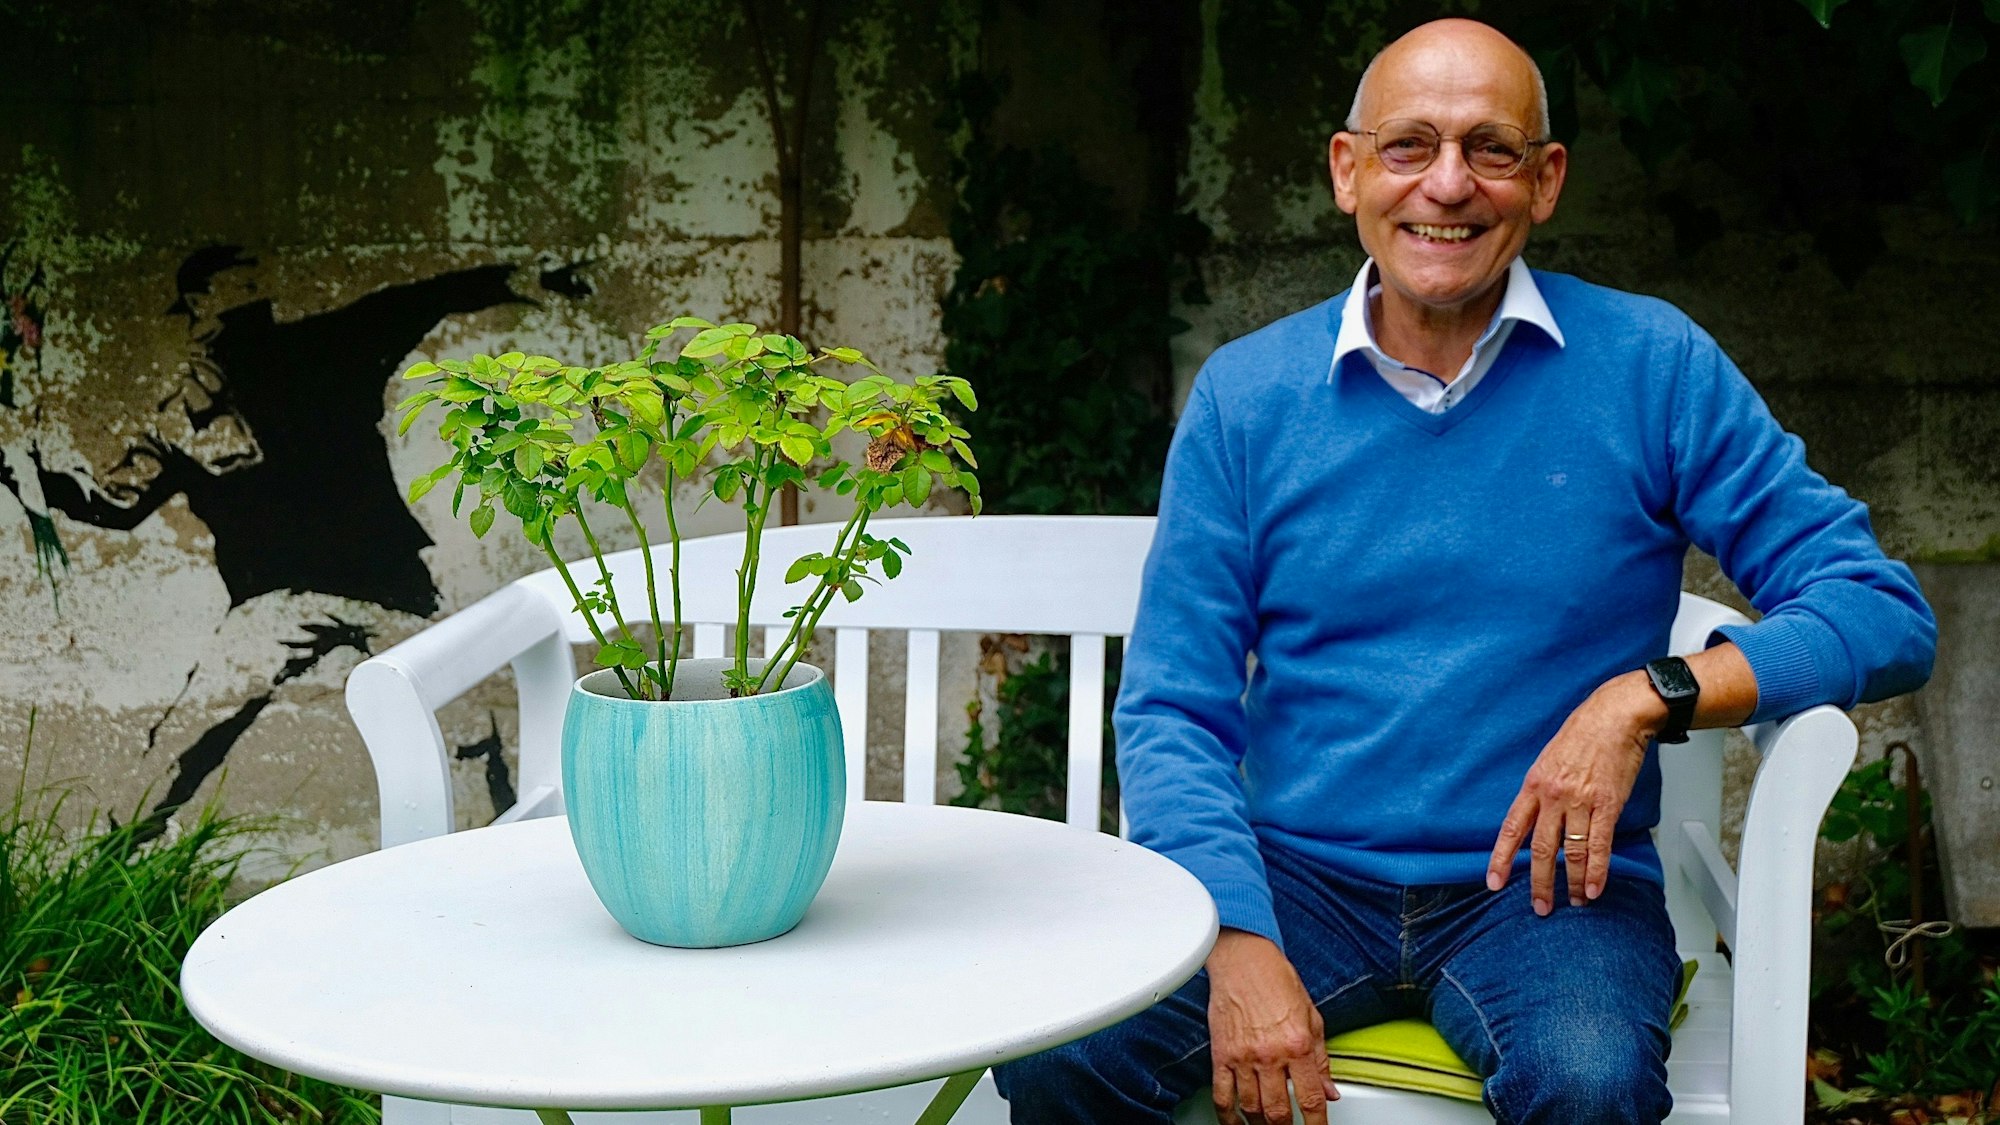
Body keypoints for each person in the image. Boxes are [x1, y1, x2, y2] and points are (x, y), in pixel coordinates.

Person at [991, 17, 1935, 1125]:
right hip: (1289, 876)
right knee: (1062, 1058)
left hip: (1547, 894)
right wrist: (1236, 941)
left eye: (1489, 149)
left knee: (1587, 1086)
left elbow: (1880, 609)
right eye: (1408, 146)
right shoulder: (1248, 398)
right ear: (1348, 172)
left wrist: (1647, 697)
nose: (1446, 185)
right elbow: (1171, 709)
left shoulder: (1651, 367)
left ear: (1544, 181)